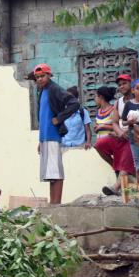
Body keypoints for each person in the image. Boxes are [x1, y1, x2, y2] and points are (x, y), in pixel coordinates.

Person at [34, 63, 79, 205]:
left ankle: (56, 204)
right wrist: (40, 141)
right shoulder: (42, 91)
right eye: (38, 77)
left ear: (49, 76)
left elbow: (74, 103)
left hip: (53, 136)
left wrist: (59, 118)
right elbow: (43, 118)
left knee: (56, 172)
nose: (40, 79)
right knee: (50, 173)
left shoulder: (54, 89)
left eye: (43, 76)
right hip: (45, 138)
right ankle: (53, 204)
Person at [91, 86, 135, 196]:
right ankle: (116, 172)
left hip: (119, 139)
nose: (94, 99)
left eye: (95, 96)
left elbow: (117, 125)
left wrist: (103, 126)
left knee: (126, 167)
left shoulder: (113, 108)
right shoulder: (99, 111)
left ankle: (123, 190)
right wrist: (98, 127)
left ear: (100, 97)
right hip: (108, 142)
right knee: (97, 146)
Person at [61, 86, 92, 150]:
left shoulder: (83, 112)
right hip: (64, 146)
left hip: (80, 147)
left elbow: (88, 129)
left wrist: (88, 142)